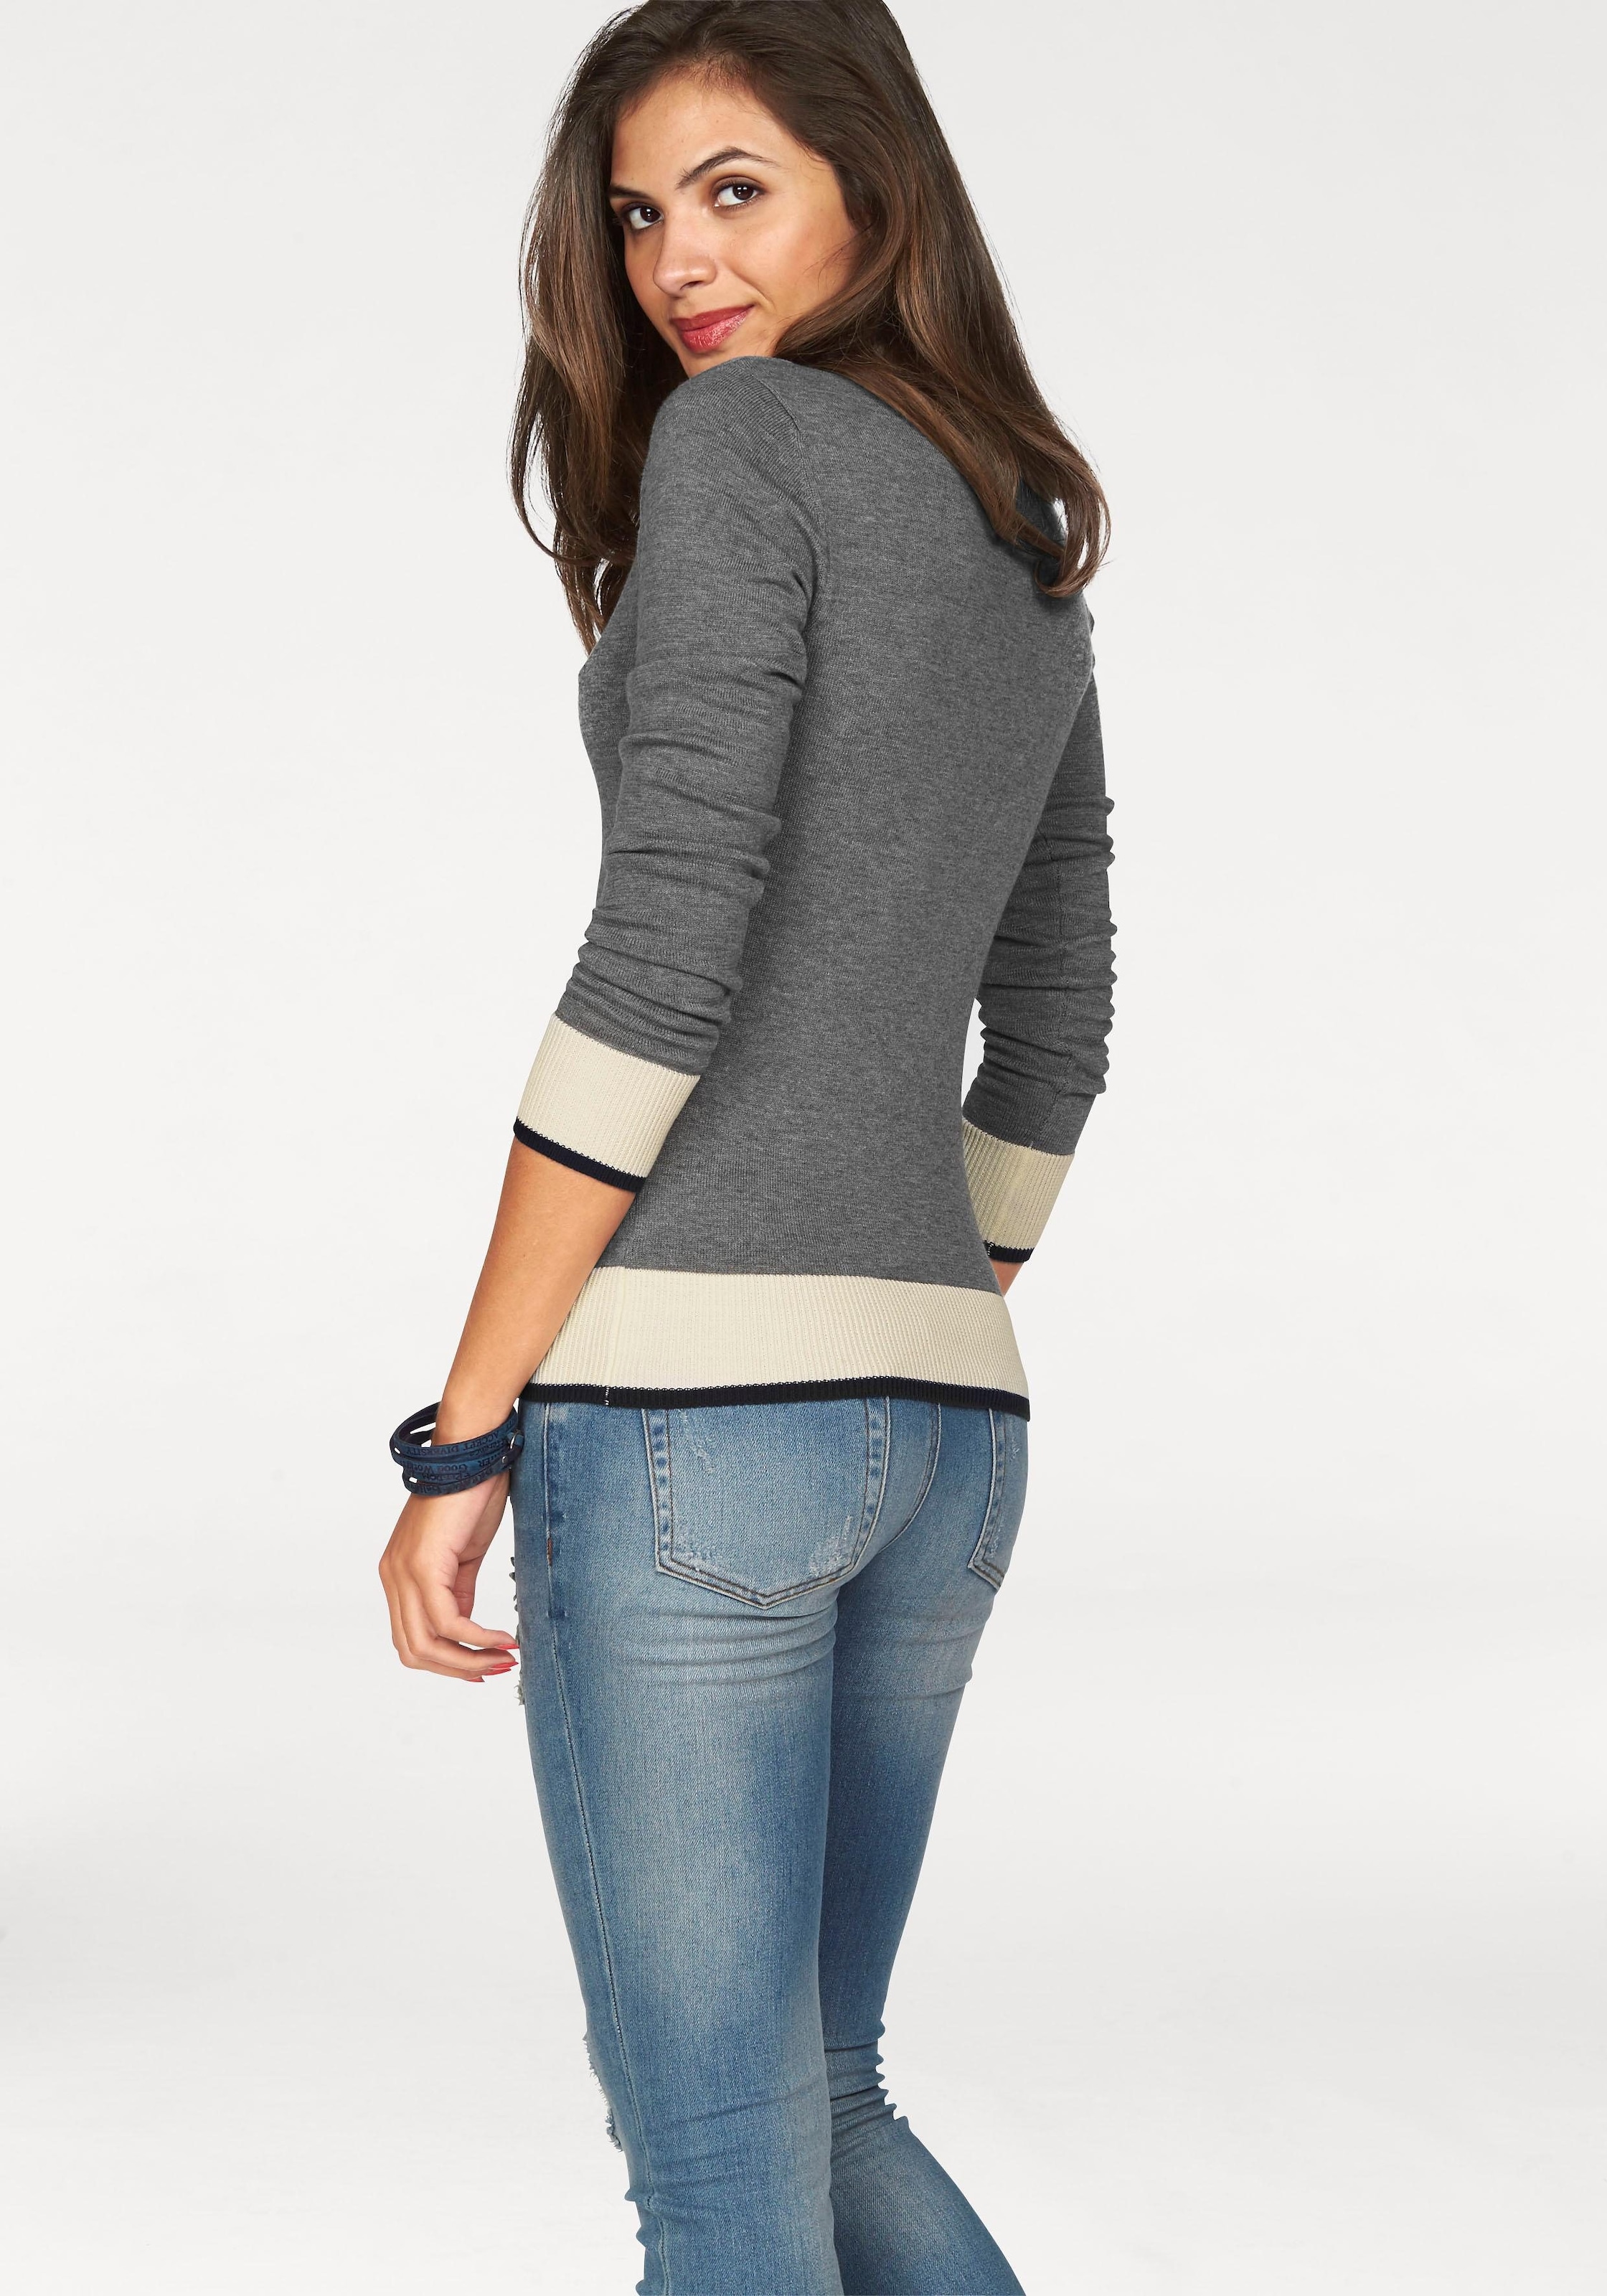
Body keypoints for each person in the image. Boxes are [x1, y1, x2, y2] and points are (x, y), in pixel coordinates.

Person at [377, 2, 1116, 2287]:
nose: (676, 263)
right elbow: (1060, 1015)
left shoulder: (749, 445)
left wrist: (464, 1430)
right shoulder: (1021, 527)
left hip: (692, 1433)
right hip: (950, 1433)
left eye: (734, 191)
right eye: (636, 214)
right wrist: (912, 1294)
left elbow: (665, 954)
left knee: (720, 2166)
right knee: (826, 2093)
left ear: (873, 190)